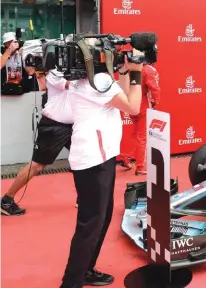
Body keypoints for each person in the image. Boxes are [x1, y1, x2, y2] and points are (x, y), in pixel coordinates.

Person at [59, 51, 143, 288]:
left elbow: (123, 94)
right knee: (90, 223)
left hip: (98, 156)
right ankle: (71, 282)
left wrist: (126, 71)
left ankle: (85, 270)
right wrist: (136, 73)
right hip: (94, 160)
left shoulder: (90, 79)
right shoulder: (99, 81)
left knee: (102, 218)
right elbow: (133, 106)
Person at [1, 67, 73, 216]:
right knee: (37, 165)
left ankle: (85, 198)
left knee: (82, 162)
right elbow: (73, 86)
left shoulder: (75, 72)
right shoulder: (55, 73)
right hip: (54, 126)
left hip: (72, 126)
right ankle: (6, 200)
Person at [117, 62, 161, 175]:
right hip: (143, 106)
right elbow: (154, 88)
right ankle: (140, 166)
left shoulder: (130, 66)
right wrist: (155, 102)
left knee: (134, 134)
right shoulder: (148, 69)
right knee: (142, 137)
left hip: (131, 104)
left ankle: (125, 158)